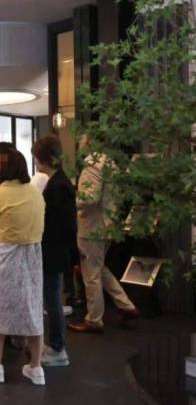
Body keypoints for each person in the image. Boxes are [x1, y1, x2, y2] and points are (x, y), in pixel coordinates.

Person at [0, 146, 46, 385]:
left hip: (5, 253)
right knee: (33, 308)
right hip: (33, 255)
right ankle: (36, 368)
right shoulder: (36, 193)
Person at [68, 134, 139, 333]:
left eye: (81, 141)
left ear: (89, 143)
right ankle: (126, 306)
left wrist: (71, 201)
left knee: (91, 274)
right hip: (106, 224)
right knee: (99, 268)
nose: (80, 145)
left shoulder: (92, 165)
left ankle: (94, 319)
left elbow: (89, 199)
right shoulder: (110, 164)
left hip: (91, 226)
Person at [32, 136, 78, 367]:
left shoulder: (58, 187)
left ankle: (58, 349)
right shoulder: (58, 182)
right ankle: (55, 346)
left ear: (42, 159)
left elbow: (65, 225)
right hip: (55, 250)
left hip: (53, 251)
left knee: (52, 302)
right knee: (51, 300)